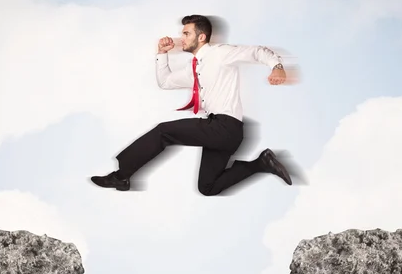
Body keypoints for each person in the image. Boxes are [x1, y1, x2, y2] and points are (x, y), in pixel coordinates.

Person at [90, 14, 296, 196]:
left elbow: (258, 51)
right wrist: (162, 53)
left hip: (224, 126)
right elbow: (165, 82)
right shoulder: (195, 69)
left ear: (201, 37)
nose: (181, 38)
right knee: (207, 187)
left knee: (163, 132)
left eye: (186, 33)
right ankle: (262, 163)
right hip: (225, 134)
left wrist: (277, 67)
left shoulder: (220, 53)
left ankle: (121, 176)